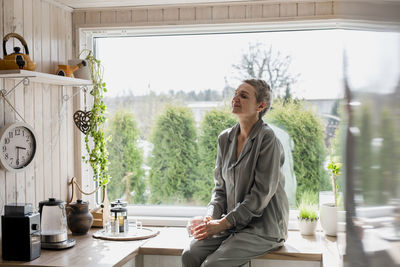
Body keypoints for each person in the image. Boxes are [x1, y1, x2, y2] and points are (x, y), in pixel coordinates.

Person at [181, 79, 289, 267]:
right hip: (232, 224)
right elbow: (220, 190)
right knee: (189, 254)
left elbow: (260, 196)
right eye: (235, 94)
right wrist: (210, 217)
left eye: (244, 96)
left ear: (260, 106)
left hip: (263, 228)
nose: (235, 98)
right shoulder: (225, 138)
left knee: (212, 265)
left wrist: (222, 224)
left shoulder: (268, 139)